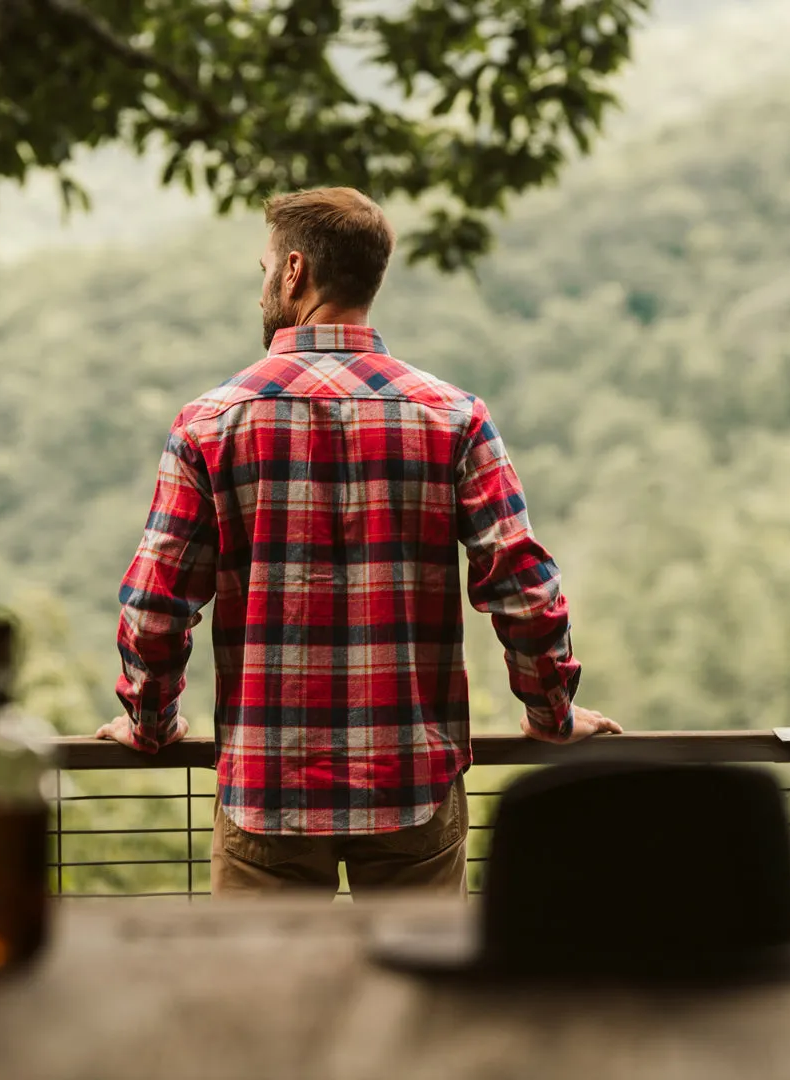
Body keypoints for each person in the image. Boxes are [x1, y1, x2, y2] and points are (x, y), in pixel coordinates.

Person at [96, 187, 622, 897]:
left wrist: (152, 722)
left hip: (265, 795)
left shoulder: (208, 425)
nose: (260, 294)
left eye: (261, 273)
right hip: (412, 787)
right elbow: (525, 589)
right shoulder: (454, 418)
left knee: (265, 1006)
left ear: (292, 272)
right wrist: (549, 712)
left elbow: (156, 607)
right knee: (417, 1002)